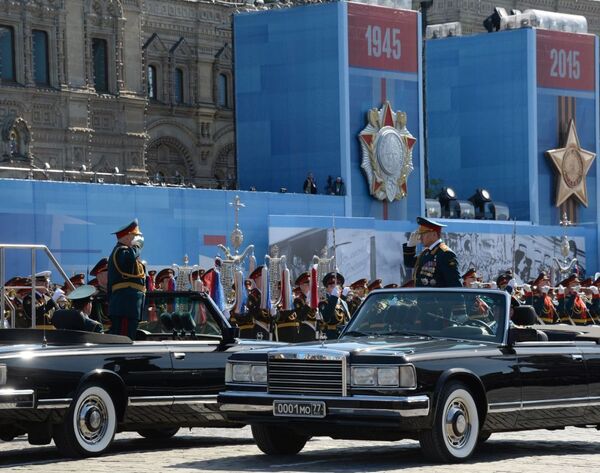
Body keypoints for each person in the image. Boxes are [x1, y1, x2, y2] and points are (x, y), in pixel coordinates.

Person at [107, 219, 146, 339]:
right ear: (128, 236)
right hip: (125, 307)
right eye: (135, 236)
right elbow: (128, 259)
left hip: (128, 307)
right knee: (123, 342)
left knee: (128, 339)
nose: (137, 238)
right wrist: (137, 246)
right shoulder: (121, 251)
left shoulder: (124, 251)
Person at [403, 217, 461, 288]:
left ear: (434, 234)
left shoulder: (446, 254)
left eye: (423, 234)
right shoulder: (426, 253)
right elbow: (409, 263)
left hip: (437, 298)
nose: (420, 237)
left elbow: (454, 285)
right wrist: (410, 246)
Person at [318, 271, 350, 339]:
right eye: (331, 286)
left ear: (341, 288)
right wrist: (333, 298)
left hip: (342, 336)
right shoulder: (323, 302)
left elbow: (348, 319)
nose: (335, 288)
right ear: (327, 288)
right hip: (330, 337)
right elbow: (326, 318)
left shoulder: (343, 303)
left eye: (337, 285)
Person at [89, 257, 110, 329]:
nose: (109, 275)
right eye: (106, 271)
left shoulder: (120, 294)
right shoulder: (92, 296)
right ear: (98, 276)